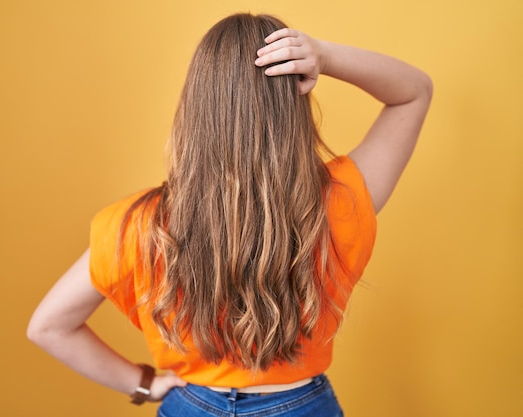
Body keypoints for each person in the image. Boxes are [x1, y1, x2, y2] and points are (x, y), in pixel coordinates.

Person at [27, 13, 432, 417]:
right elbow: (413, 91)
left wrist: (144, 384)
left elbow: (48, 327)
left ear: (196, 107)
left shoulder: (136, 225)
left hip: (191, 406)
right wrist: (324, 56)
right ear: (293, 108)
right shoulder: (338, 203)